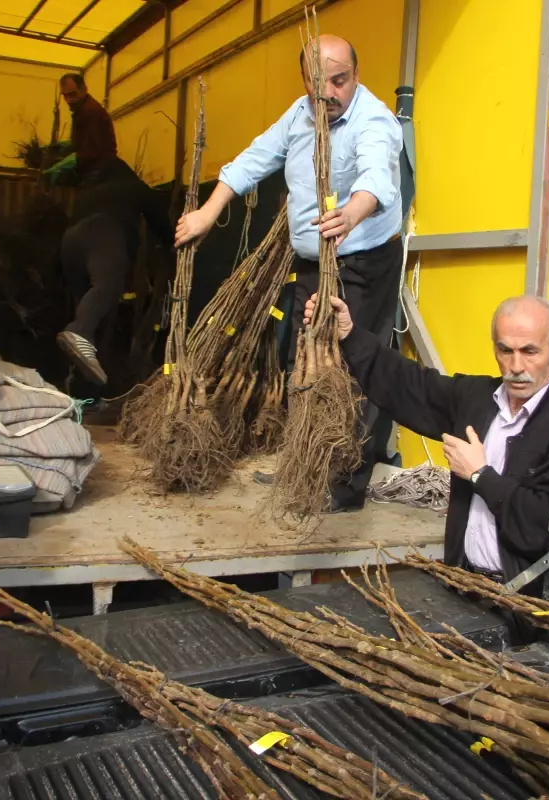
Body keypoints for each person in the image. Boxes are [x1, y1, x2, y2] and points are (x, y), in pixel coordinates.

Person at [175, 34, 403, 511]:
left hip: (364, 260)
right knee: (303, 359)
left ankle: (343, 484)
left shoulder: (375, 120)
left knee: (353, 366)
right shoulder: (298, 115)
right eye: (322, 84)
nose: (332, 94)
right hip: (312, 263)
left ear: (355, 76)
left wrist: (352, 214)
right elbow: (251, 161)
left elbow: (376, 177)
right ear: (306, 81)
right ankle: (303, 464)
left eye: (341, 82)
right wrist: (207, 213)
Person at [305, 292, 549, 591]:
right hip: (463, 584)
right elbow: (408, 385)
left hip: (524, 604)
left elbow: (543, 531)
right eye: (505, 350)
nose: (515, 366)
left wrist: (480, 475)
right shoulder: (476, 399)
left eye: (530, 352)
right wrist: (349, 335)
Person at [56, 156, 175, 385]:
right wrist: (171, 245)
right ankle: (80, 331)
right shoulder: (134, 187)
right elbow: (160, 223)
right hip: (104, 232)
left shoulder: (91, 192)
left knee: (90, 307)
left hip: (70, 243)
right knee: (107, 288)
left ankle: (84, 390)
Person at [60, 72, 117, 180]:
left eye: (72, 94)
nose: (68, 100)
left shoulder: (90, 112)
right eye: (65, 96)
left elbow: (92, 151)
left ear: (83, 89)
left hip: (98, 173)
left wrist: (69, 161)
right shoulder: (82, 110)